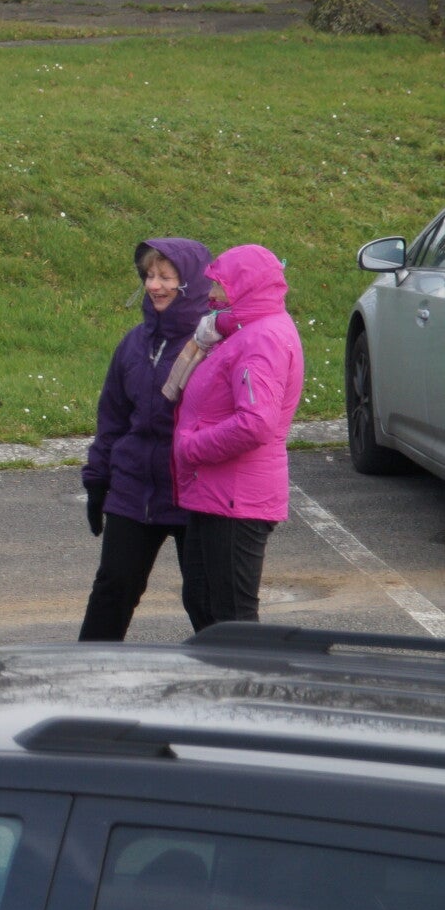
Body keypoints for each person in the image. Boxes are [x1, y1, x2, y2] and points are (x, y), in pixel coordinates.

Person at [78, 239, 215, 640]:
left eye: (166, 277)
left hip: (194, 492)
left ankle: (231, 674)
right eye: (149, 276)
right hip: (134, 489)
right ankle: (87, 672)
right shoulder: (134, 343)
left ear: (191, 283)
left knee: (206, 602)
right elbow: (112, 418)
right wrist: (97, 480)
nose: (154, 285)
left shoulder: (212, 345)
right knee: (112, 591)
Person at [172, 245, 304, 626]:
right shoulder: (247, 328)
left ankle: (244, 670)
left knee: (232, 617)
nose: (212, 294)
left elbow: (256, 422)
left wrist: (191, 448)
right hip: (217, 492)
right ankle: (218, 667)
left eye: (220, 286)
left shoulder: (262, 341)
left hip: (236, 498)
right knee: (201, 600)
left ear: (246, 287)